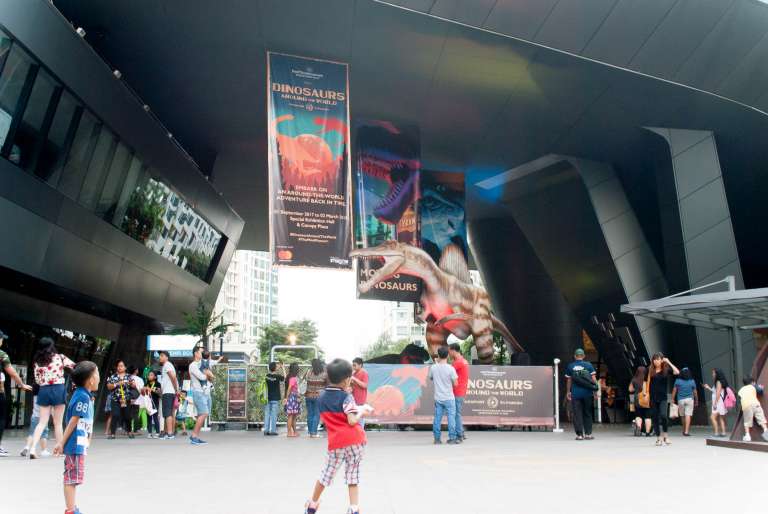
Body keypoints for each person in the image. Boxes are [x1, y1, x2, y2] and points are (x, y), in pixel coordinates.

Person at [304, 358, 371, 514]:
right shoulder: (347, 397)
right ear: (347, 380)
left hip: (336, 443)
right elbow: (352, 420)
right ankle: (353, 508)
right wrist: (362, 411)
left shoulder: (321, 397)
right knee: (352, 475)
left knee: (326, 474)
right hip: (355, 442)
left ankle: (312, 505)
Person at [54, 360, 99, 514]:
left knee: (73, 477)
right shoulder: (83, 397)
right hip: (75, 444)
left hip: (79, 443)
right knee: (71, 478)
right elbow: (74, 421)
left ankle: (72, 508)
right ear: (91, 380)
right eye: (97, 374)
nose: (99, 378)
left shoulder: (84, 395)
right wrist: (61, 443)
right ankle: (71, 510)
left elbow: (85, 422)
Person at [29, 337, 75, 457]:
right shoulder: (60, 357)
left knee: (42, 422)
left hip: (44, 390)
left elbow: (37, 380)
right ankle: (60, 450)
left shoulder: (37, 362)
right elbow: (74, 367)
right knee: (58, 423)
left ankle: (32, 449)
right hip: (58, 389)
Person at [0, 328, 33, 456]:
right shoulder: (2, 354)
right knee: (1, 418)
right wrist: (21, 384)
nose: (2, 341)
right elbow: (12, 372)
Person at [564, 348, 597, 441]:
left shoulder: (570, 366)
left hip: (576, 394)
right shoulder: (588, 365)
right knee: (587, 413)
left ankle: (579, 435)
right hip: (587, 393)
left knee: (577, 414)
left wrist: (568, 392)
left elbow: (569, 380)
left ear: (575, 356)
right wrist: (595, 391)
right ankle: (588, 434)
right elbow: (593, 379)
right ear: (584, 356)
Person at [648, 353, 679, 446]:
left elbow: (677, 372)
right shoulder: (650, 370)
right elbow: (645, 381)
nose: (656, 361)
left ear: (662, 360)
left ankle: (665, 435)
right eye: (654, 359)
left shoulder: (666, 370)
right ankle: (658, 438)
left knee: (663, 416)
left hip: (663, 398)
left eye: (658, 359)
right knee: (655, 418)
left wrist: (668, 362)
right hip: (653, 398)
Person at [430, 346, 459, 445]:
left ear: (438, 355)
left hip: (438, 398)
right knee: (451, 418)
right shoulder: (451, 369)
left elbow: (431, 378)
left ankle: (437, 439)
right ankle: (452, 438)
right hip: (449, 397)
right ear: (447, 356)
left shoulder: (433, 368)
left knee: (437, 418)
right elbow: (456, 383)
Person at [188, 346, 212, 445]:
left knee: (204, 413)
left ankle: (195, 436)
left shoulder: (202, 364)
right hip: (198, 392)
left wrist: (208, 374)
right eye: (201, 352)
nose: (203, 354)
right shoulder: (193, 365)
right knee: (203, 413)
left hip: (205, 392)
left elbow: (209, 377)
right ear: (196, 353)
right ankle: (194, 436)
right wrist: (207, 373)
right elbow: (202, 377)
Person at [21, 384, 51, 457]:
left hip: (34, 416)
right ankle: (44, 450)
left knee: (32, 433)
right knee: (44, 434)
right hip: (43, 417)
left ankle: (27, 447)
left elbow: (33, 387)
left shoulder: (35, 396)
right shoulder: (45, 397)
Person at [448, 343, 469, 441]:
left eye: (449, 351)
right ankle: (461, 432)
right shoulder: (462, 361)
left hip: (457, 391)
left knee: (456, 414)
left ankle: (459, 435)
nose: (448, 353)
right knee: (457, 413)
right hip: (460, 391)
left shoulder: (458, 362)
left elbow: (447, 372)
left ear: (453, 350)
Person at [738, 376, 768, 442]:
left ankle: (747, 436)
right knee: (761, 419)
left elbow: (740, 398)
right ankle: (766, 434)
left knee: (747, 422)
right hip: (756, 404)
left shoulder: (741, 390)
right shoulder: (753, 386)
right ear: (752, 382)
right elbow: (760, 391)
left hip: (746, 406)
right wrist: (761, 387)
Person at [158, 350, 179, 439]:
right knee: (168, 413)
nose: (160, 357)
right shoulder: (166, 365)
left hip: (168, 392)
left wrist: (176, 389)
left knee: (168, 413)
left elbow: (173, 377)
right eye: (160, 356)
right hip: (168, 392)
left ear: (167, 357)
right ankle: (167, 432)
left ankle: (169, 433)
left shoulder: (167, 365)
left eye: (162, 355)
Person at [703, 368, 730, 437]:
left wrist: (715, 403)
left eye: (713, 373)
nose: (712, 374)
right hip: (720, 402)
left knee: (712, 417)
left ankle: (716, 433)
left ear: (717, 374)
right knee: (721, 418)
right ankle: (723, 433)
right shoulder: (720, 382)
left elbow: (718, 393)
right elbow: (715, 391)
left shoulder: (718, 382)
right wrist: (708, 387)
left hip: (718, 402)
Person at [672, 367, 698, 436]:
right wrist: (696, 400)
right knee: (688, 415)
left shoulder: (678, 381)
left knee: (682, 416)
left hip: (680, 400)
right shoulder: (692, 381)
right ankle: (686, 431)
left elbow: (674, 390)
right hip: (690, 400)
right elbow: (695, 392)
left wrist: (672, 399)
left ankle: (684, 430)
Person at [306, 358, 328, 438]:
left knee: (310, 414)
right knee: (316, 414)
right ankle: (314, 433)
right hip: (319, 396)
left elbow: (306, 381)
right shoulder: (324, 373)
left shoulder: (309, 372)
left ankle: (310, 432)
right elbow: (327, 384)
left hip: (308, 395)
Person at [628, 366, 651, 436]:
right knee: (647, 416)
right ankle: (647, 432)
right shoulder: (648, 379)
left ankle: (639, 427)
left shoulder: (634, 379)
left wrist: (636, 389)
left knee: (638, 415)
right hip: (646, 399)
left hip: (637, 399)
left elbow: (630, 389)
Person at [264, 362, 284, 436]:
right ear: (275, 368)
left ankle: (266, 430)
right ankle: (273, 430)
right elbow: (284, 378)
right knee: (273, 415)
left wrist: (276, 368)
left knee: (267, 414)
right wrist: (282, 368)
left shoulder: (266, 376)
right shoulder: (278, 376)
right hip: (275, 398)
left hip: (267, 398)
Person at [284, 362, 302, 437]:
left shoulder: (289, 377)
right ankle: (289, 432)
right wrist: (286, 398)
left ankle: (294, 431)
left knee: (293, 416)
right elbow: (289, 388)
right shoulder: (293, 378)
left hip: (293, 397)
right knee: (291, 416)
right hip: (292, 398)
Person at [351, 358, 368, 429]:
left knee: (360, 417)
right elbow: (352, 386)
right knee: (354, 417)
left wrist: (355, 379)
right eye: (353, 365)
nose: (353, 367)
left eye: (354, 365)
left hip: (360, 400)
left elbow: (365, 385)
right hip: (353, 399)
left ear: (360, 365)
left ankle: (361, 432)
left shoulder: (364, 373)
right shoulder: (354, 374)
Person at [128, 365, 144, 435]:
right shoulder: (139, 379)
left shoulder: (126, 377)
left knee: (127, 413)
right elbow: (141, 390)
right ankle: (135, 430)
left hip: (128, 398)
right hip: (136, 398)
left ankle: (127, 430)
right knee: (135, 414)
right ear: (136, 370)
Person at [145, 370, 161, 438]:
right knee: (149, 417)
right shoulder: (146, 383)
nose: (149, 376)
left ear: (155, 377)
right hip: (148, 403)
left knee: (155, 417)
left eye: (151, 375)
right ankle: (149, 432)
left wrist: (152, 389)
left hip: (155, 402)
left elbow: (159, 392)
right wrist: (144, 389)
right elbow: (143, 392)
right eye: (149, 375)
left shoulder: (157, 384)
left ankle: (157, 432)